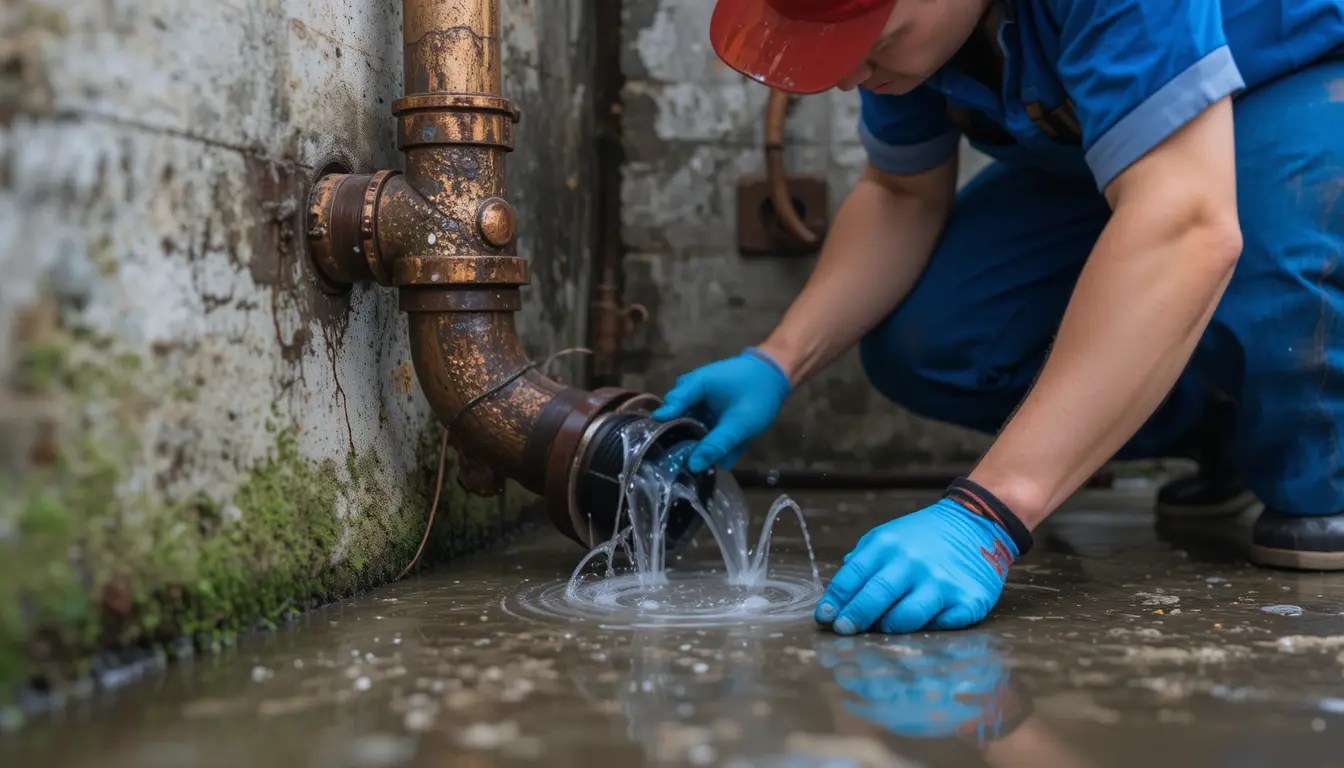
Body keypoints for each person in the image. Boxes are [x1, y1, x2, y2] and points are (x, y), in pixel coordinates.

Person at [652, 0, 1344, 635]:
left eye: (874, 41)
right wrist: (776, 360)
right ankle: (1225, 432)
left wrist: (989, 514)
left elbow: (1189, 223)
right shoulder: (919, 41)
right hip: (1122, 152)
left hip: (1296, 84)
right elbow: (901, 192)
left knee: (1276, 274)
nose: (849, 76)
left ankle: (1319, 463)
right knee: (938, 339)